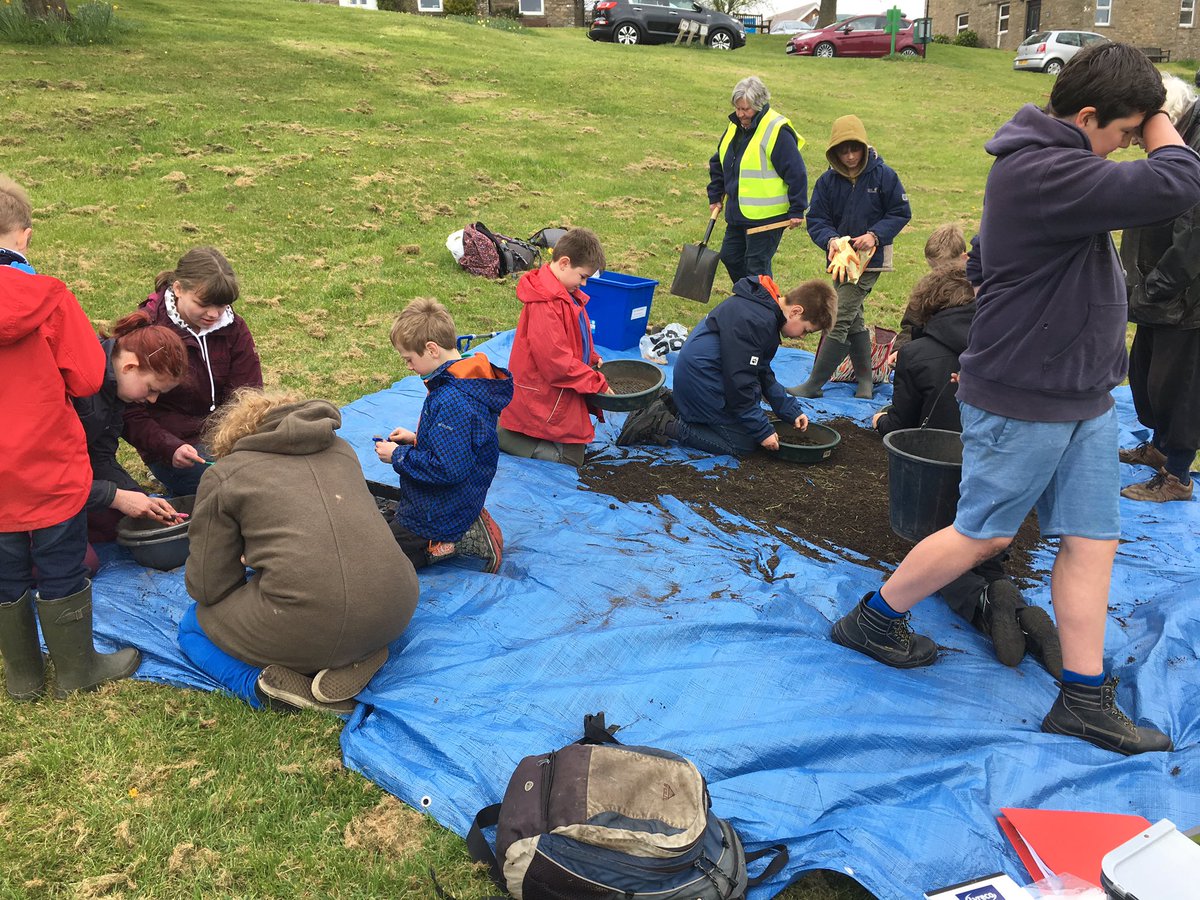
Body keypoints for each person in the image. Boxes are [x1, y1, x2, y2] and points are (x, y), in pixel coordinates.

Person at [831, 43, 1200, 756]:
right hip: (1025, 395)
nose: (1130, 143)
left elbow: (986, 257)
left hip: (1084, 393)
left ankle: (1083, 700)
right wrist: (1161, 112)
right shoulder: (1045, 171)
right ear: (1087, 116)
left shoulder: (1060, 165)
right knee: (985, 534)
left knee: (1092, 539)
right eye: (1124, 130)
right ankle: (873, 619)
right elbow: (1179, 182)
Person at [872, 265, 1062, 675]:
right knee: (982, 548)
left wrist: (881, 421)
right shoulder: (1005, 346)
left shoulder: (917, 354)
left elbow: (905, 429)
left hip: (937, 474)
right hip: (1001, 471)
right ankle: (1016, 611)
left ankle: (986, 604)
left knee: (938, 552)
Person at [179, 389, 418, 714]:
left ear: (232, 437)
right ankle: (361, 653)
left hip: (308, 623)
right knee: (336, 606)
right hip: (397, 606)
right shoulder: (342, 450)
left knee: (192, 626)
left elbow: (208, 587)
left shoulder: (226, 475)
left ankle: (260, 687)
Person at [0, 175, 141, 702]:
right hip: (47, 462)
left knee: (5, 568)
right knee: (60, 561)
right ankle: (77, 669)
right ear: (25, 235)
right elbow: (86, 378)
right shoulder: (50, 297)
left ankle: (23, 676)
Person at [617, 276, 835, 456]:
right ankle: (661, 422)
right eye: (806, 330)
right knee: (743, 443)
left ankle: (671, 402)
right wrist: (761, 430)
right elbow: (740, 382)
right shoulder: (757, 321)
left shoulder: (764, 312)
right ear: (796, 311)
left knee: (750, 424)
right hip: (701, 379)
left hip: (702, 376)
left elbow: (761, 371)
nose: (802, 337)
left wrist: (788, 409)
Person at [373, 299, 513, 574]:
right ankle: (447, 535)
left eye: (409, 359)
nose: (409, 367)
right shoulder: (463, 380)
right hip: (451, 498)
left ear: (432, 349)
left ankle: (449, 541)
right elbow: (459, 442)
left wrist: (398, 455)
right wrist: (416, 439)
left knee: (377, 559)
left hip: (439, 511)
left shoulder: (453, 399)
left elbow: (447, 468)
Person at [1118, 74, 1200, 503]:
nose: (1133, 139)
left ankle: (1177, 476)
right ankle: (1159, 448)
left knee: (1179, 389)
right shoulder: (1180, 140)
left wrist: (1154, 288)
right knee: (1148, 378)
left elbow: (1193, 241)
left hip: (1185, 301)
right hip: (1157, 293)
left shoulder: (1192, 151)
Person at [789, 115, 911, 400]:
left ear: (864, 147)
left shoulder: (885, 176)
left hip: (872, 262)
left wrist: (875, 235)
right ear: (834, 152)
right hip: (841, 263)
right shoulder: (827, 182)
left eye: (855, 149)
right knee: (853, 318)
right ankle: (865, 381)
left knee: (839, 315)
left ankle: (814, 384)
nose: (850, 156)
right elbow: (816, 219)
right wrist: (831, 240)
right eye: (843, 151)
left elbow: (900, 212)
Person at [123, 247, 262, 498]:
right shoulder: (147, 332)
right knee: (231, 490)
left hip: (226, 437)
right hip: (175, 447)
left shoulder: (234, 328)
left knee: (274, 473)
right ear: (178, 289)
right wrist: (169, 448)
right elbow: (129, 412)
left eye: (222, 305)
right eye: (203, 304)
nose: (214, 314)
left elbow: (248, 394)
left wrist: (239, 440)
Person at [497, 227, 612, 468]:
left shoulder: (567, 293)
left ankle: (514, 430)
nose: (584, 283)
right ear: (564, 263)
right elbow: (556, 364)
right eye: (582, 276)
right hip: (541, 394)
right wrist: (595, 382)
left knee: (576, 446)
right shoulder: (545, 303)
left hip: (557, 390)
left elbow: (574, 337)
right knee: (571, 459)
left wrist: (591, 356)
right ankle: (500, 435)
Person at [74, 311, 190, 543]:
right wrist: (116, 497)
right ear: (129, 367)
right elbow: (46, 476)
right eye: (152, 389)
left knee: (117, 524)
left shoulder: (114, 388)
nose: (153, 400)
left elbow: (101, 457)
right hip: (30, 489)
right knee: (82, 558)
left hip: (71, 481)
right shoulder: (79, 385)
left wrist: (138, 496)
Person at [707, 76, 807, 286]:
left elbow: (796, 171)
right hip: (738, 213)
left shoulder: (777, 130)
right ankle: (753, 297)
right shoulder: (734, 126)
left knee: (756, 266)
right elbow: (720, 161)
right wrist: (715, 195)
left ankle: (761, 301)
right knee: (730, 256)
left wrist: (797, 208)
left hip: (768, 217)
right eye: (737, 108)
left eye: (746, 109)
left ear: (759, 105)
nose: (741, 114)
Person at [889, 223, 970, 360]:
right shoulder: (928, 289)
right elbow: (910, 326)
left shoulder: (976, 288)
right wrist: (900, 350)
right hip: (931, 356)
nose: (938, 274)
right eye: (933, 268)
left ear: (964, 258)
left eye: (946, 268)